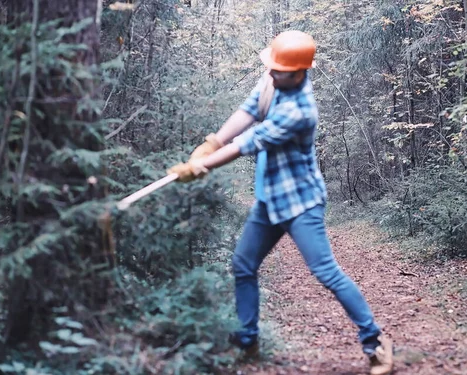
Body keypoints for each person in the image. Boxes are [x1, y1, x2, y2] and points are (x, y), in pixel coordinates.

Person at [167, 30, 393, 375]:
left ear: (300, 71)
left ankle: (375, 343)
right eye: (271, 67)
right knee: (243, 264)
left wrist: (200, 166)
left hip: (301, 202)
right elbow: (247, 111)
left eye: (279, 70)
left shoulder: (300, 110)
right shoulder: (275, 78)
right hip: (269, 199)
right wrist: (212, 142)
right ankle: (248, 339)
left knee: (325, 272)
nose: (271, 72)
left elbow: (249, 142)